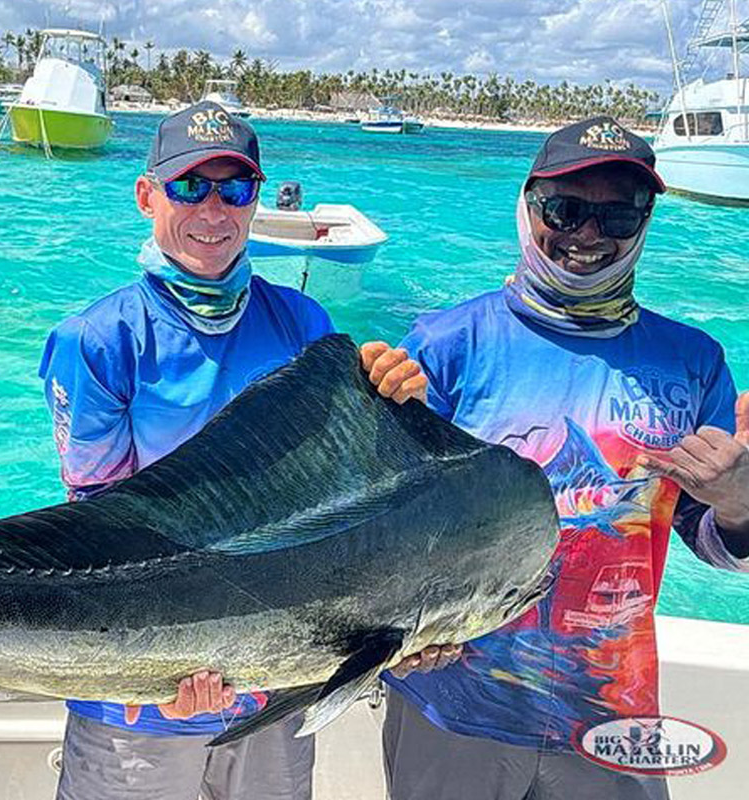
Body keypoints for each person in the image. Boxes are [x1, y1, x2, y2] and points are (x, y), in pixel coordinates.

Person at [39, 101, 458, 800]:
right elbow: (92, 534)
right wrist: (151, 678)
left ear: (255, 199)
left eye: (233, 189)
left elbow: (345, 492)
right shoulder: (98, 340)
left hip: (278, 685)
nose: (213, 209)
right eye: (188, 186)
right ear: (147, 196)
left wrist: (402, 399)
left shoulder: (304, 323)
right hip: (139, 701)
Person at [382, 116, 749, 800]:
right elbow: (387, 528)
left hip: (612, 709)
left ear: (644, 220)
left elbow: (714, 540)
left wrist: (739, 499)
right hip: (452, 702)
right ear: (528, 207)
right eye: (567, 209)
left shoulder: (694, 363)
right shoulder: (444, 345)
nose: (588, 234)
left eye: (617, 212)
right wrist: (404, 632)